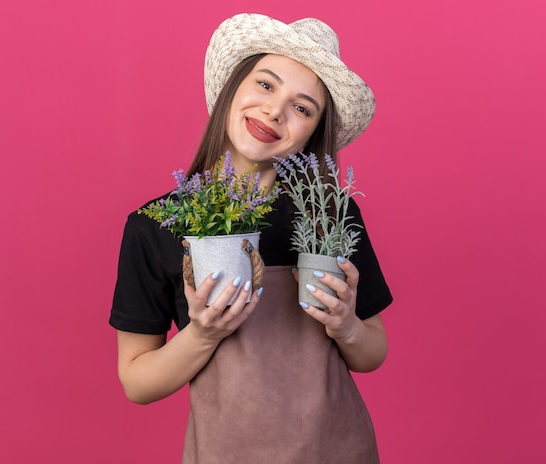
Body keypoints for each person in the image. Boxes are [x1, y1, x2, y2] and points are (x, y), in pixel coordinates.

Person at [110, 13, 393, 463]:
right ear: (232, 88)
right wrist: (203, 333)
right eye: (265, 84)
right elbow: (136, 381)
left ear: (311, 134)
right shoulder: (154, 225)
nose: (275, 111)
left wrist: (346, 326)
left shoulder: (328, 216)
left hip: (337, 450)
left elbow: (372, 351)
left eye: (302, 108)